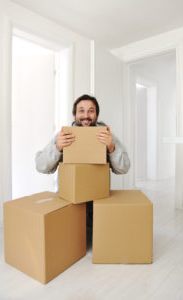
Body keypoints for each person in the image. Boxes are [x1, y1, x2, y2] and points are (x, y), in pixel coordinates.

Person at [35, 94, 130, 246]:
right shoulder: (63, 136)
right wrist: (57, 148)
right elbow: (41, 166)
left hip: (97, 201)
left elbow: (124, 168)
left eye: (91, 111)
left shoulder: (106, 135)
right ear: (74, 114)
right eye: (81, 111)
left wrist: (112, 148)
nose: (86, 116)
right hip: (70, 201)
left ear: (96, 115)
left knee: (104, 241)